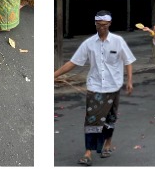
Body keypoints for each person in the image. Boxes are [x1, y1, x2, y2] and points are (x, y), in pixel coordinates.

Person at [53, 11, 136, 165]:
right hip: (95, 86)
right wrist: (54, 75)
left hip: (113, 87)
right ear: (95, 24)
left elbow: (128, 61)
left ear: (109, 24)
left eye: (104, 25)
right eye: (99, 25)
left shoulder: (118, 41)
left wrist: (129, 81)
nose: (102, 28)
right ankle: (88, 152)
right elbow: (73, 62)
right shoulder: (89, 43)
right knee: (91, 120)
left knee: (110, 119)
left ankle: (108, 143)